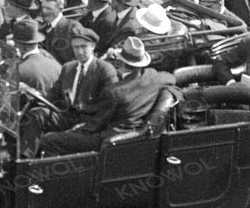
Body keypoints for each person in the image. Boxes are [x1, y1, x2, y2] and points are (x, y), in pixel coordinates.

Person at [38, 36, 173, 154]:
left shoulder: (114, 92)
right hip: (134, 133)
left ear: (121, 61)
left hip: (109, 136)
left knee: (49, 139)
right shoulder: (154, 76)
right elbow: (173, 78)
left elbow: (96, 124)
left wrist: (74, 131)